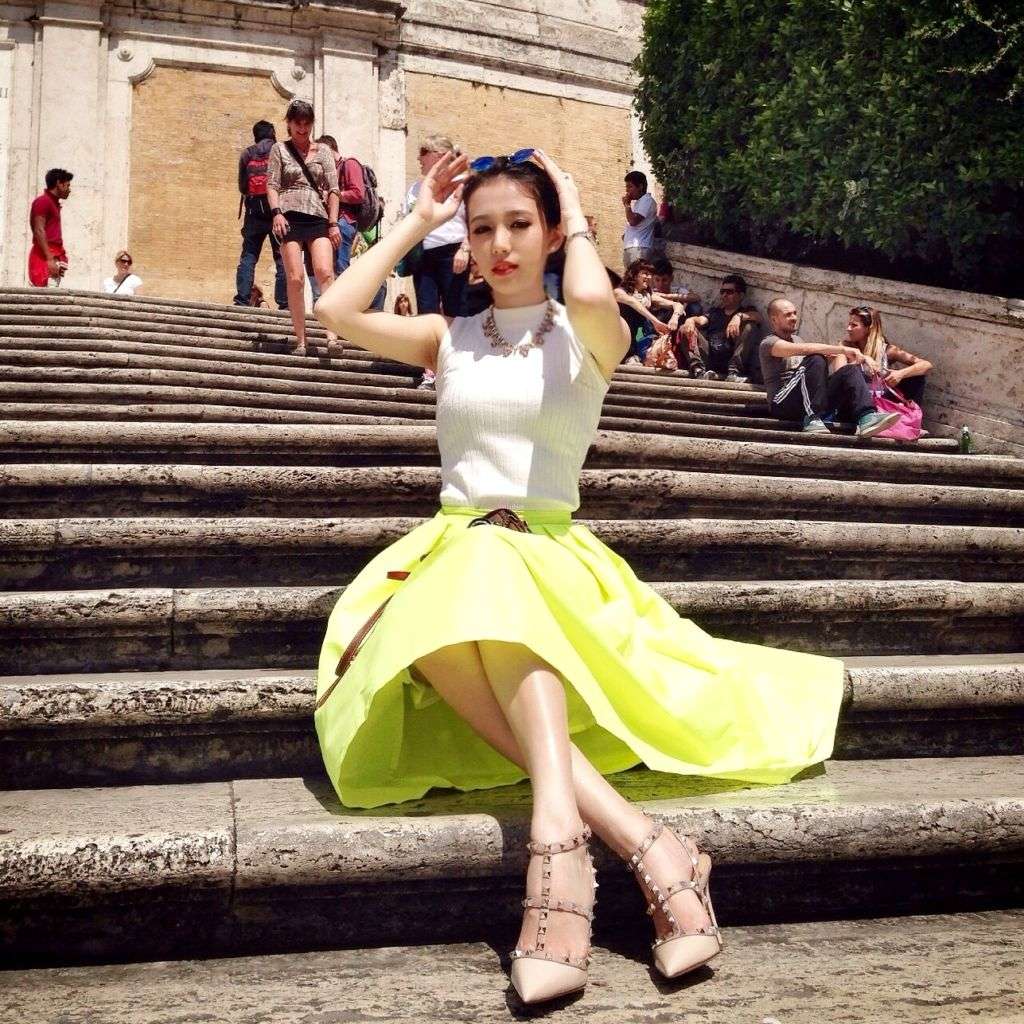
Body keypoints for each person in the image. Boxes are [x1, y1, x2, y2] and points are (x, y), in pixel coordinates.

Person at [313, 148, 843, 1005]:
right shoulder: (446, 338)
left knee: (481, 569)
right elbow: (335, 306)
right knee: (454, 575)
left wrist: (577, 212)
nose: (498, 244)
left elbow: (594, 293)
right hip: (452, 553)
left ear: (553, 230)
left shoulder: (590, 333)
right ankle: (644, 847)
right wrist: (416, 218)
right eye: (481, 228)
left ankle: (561, 850)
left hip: (550, 555)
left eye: (520, 224)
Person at [759, 298, 901, 436]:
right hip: (782, 403)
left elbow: (817, 365)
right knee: (816, 356)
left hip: (806, 400)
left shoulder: (797, 340)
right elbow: (807, 350)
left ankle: (867, 416)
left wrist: (860, 359)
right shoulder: (769, 343)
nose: (794, 317)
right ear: (774, 319)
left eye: (795, 313)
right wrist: (842, 350)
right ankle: (812, 418)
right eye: (788, 314)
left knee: (849, 370)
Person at [266, 99, 341, 356]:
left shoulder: (323, 152)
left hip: (318, 216)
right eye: (297, 123)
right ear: (289, 123)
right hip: (289, 216)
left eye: (307, 124)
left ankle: (332, 337)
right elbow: (272, 184)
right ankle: (301, 340)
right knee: (296, 278)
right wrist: (276, 212)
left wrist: (333, 223)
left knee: (325, 272)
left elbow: (333, 189)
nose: (302, 129)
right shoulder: (279, 149)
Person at [402, 134, 470, 317]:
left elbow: (474, 221)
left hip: (452, 252)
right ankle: (431, 347)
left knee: (456, 311)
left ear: (440, 156)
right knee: (426, 312)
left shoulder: (462, 185)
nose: (418, 158)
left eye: (423, 152)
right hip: (422, 255)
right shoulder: (415, 189)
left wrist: (465, 249)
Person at [306, 134, 365, 305]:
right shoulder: (328, 170)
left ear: (329, 149)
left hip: (344, 222)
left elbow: (358, 193)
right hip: (329, 223)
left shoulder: (350, 164)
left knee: (340, 266)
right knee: (325, 267)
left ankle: (343, 307)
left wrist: (333, 194)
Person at [234, 121, 287, 310]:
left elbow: (242, 186)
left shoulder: (247, 154)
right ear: (272, 133)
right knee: (282, 257)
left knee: (248, 256)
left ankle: (242, 299)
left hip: (254, 211)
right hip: (277, 210)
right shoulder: (280, 150)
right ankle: (284, 302)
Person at [681, 274, 763, 383]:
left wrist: (738, 317)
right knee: (684, 328)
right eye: (722, 292)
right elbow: (701, 320)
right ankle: (698, 369)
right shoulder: (715, 312)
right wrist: (690, 320)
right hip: (710, 357)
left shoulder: (747, 310)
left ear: (741, 295)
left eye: (729, 292)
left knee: (749, 326)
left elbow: (759, 317)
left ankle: (734, 372)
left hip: (730, 361)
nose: (724, 295)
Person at [845, 305, 932, 404]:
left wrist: (900, 374)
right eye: (849, 324)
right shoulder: (845, 347)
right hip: (853, 401)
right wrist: (865, 359)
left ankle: (909, 414)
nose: (848, 329)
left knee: (917, 378)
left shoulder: (888, 350)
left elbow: (926, 365)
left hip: (879, 400)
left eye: (854, 325)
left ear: (869, 328)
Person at [28, 168, 72, 287]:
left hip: (52, 255)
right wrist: (50, 259)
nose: (69, 190)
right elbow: (39, 230)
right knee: (45, 297)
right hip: (44, 257)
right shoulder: (43, 201)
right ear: (59, 183)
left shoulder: (53, 203)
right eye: (67, 185)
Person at [621, 170, 657, 269]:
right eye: (626, 187)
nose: (627, 191)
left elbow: (633, 221)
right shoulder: (639, 202)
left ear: (640, 186)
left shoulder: (647, 200)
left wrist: (627, 205)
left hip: (639, 249)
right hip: (633, 248)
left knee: (635, 281)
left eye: (630, 186)